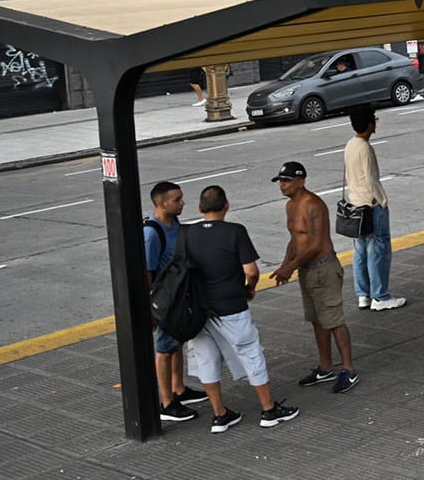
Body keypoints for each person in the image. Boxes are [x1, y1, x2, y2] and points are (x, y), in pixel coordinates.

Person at [181, 185, 297, 432]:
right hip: (231, 305)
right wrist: (250, 288)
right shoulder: (235, 231)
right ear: (226, 206)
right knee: (250, 353)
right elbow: (251, 270)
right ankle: (268, 410)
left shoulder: (187, 233)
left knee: (206, 359)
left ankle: (220, 414)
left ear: (200, 208)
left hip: (200, 309)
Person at [268, 162, 356, 394]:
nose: (282, 186)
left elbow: (316, 244)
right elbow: (295, 240)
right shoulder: (290, 206)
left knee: (334, 319)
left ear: (301, 181)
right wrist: (285, 266)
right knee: (317, 320)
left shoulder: (313, 205)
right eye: (280, 181)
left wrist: (291, 267)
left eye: (286, 181)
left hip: (323, 269)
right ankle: (325, 367)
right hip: (306, 270)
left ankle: (348, 369)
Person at [145, 180, 206, 422]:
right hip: (165, 300)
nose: (183, 203)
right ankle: (167, 402)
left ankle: (179, 388)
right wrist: (151, 310)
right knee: (164, 349)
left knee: (176, 342)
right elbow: (147, 274)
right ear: (161, 203)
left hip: (179, 296)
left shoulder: (174, 222)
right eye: (177, 199)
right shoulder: (151, 233)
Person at [345, 107, 403, 311]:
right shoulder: (365, 148)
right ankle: (380, 296)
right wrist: (383, 201)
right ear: (369, 124)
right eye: (374, 120)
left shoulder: (350, 144)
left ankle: (364, 295)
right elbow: (371, 179)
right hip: (371, 205)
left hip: (355, 206)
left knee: (360, 251)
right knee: (379, 249)